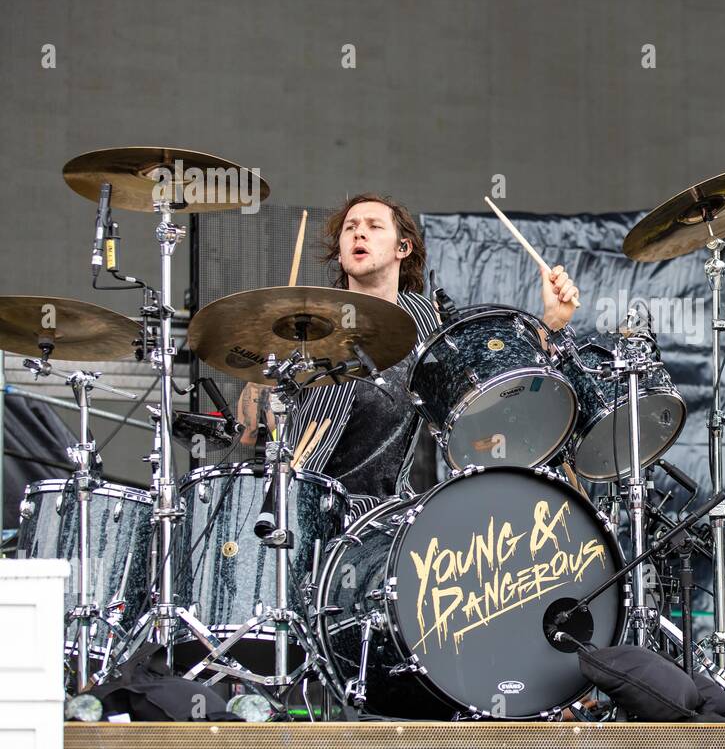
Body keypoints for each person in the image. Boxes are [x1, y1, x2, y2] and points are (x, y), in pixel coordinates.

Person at [236, 193, 580, 514]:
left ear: (403, 247)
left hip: (385, 514)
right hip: (304, 505)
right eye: (350, 229)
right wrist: (265, 382)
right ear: (340, 254)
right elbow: (250, 430)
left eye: (374, 226)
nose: (359, 235)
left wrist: (551, 320)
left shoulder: (427, 320)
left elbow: (488, 390)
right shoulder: (309, 325)